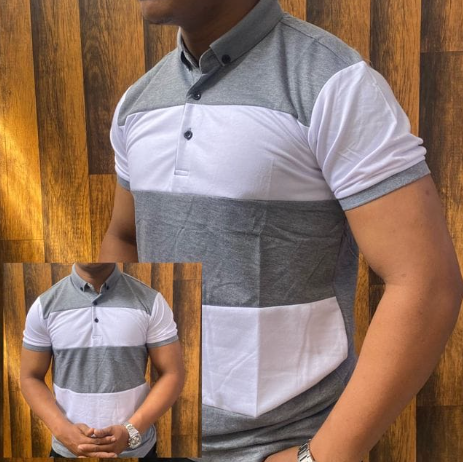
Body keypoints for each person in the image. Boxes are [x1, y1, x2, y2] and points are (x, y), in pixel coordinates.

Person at [99, 0, 463, 461]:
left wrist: (319, 458)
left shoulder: (333, 82)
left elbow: (426, 283)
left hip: (276, 445)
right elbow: (125, 236)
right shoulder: (137, 102)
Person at [20, 263, 187, 460]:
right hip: (67, 450)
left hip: (137, 450)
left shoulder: (150, 301)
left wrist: (129, 431)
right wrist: (63, 431)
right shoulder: (44, 306)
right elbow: (30, 377)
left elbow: (172, 373)